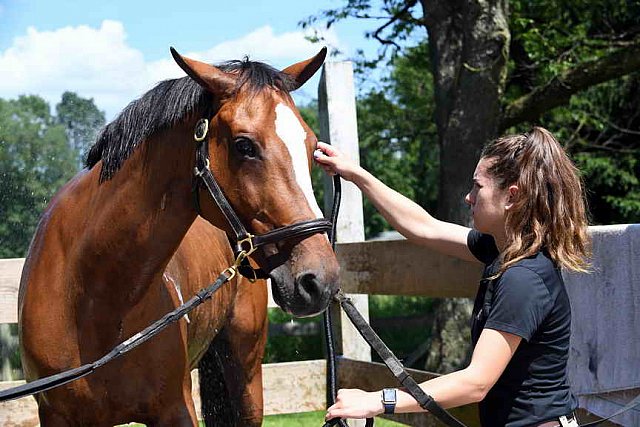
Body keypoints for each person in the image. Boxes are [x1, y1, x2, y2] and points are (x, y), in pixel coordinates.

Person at [314, 127, 590, 427]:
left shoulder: (524, 277)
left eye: (478, 187)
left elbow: (476, 382)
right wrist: (355, 174)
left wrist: (378, 400)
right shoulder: (502, 252)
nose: (468, 197)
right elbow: (423, 227)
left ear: (511, 197)